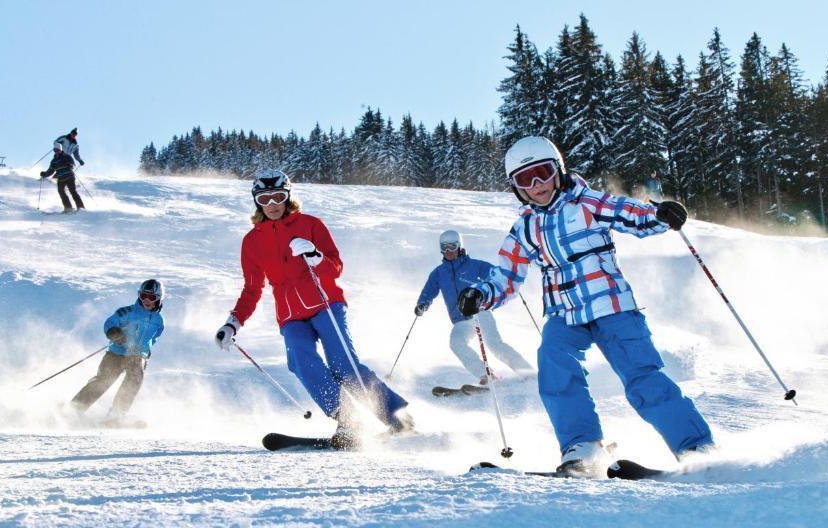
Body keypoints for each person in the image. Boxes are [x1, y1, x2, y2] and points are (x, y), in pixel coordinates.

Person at [456, 136, 713, 477]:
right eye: (525, 180)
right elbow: (506, 275)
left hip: (611, 304)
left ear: (558, 170)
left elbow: (629, 214)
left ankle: (695, 448)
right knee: (554, 365)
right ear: (516, 187)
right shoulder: (525, 228)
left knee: (643, 376)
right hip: (564, 313)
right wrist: (482, 294)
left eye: (543, 173)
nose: (536, 186)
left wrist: (660, 215)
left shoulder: (588, 203)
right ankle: (583, 447)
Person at [214, 169, 411, 448]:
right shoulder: (252, 242)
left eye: (278, 197)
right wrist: (232, 323)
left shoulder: (310, 225)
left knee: (344, 364)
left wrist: (316, 257)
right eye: (265, 198)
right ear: (257, 201)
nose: (272, 204)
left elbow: (336, 267)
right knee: (301, 362)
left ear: (288, 196)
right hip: (291, 315)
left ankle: (397, 417)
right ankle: (349, 420)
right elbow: (252, 289)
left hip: (325, 303)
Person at [415, 229, 533, 384]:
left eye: (451, 246)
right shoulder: (438, 273)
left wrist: (508, 280)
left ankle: (529, 373)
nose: (448, 251)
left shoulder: (475, 265)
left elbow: (498, 276)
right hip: (461, 320)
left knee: (494, 345)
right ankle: (486, 375)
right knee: (456, 343)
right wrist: (422, 304)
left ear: (459, 246)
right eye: (444, 247)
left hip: (480, 313)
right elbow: (429, 291)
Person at [71, 279, 165, 422]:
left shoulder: (159, 321)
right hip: (116, 353)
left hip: (137, 355)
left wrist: (147, 350)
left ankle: (117, 414)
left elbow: (154, 337)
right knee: (104, 380)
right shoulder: (128, 312)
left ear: (158, 299)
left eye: (151, 297)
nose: (146, 300)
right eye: (143, 296)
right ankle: (76, 408)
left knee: (134, 379)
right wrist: (115, 333)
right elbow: (110, 323)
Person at [40, 142, 84, 212]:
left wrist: (69, 165)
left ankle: (80, 207)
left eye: (58, 150)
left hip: (69, 176)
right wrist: (44, 174)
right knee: (61, 192)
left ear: (60, 150)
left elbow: (73, 164)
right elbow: (50, 171)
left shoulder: (67, 156)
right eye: (55, 150)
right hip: (61, 179)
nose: (56, 152)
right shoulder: (54, 161)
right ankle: (68, 208)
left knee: (73, 191)